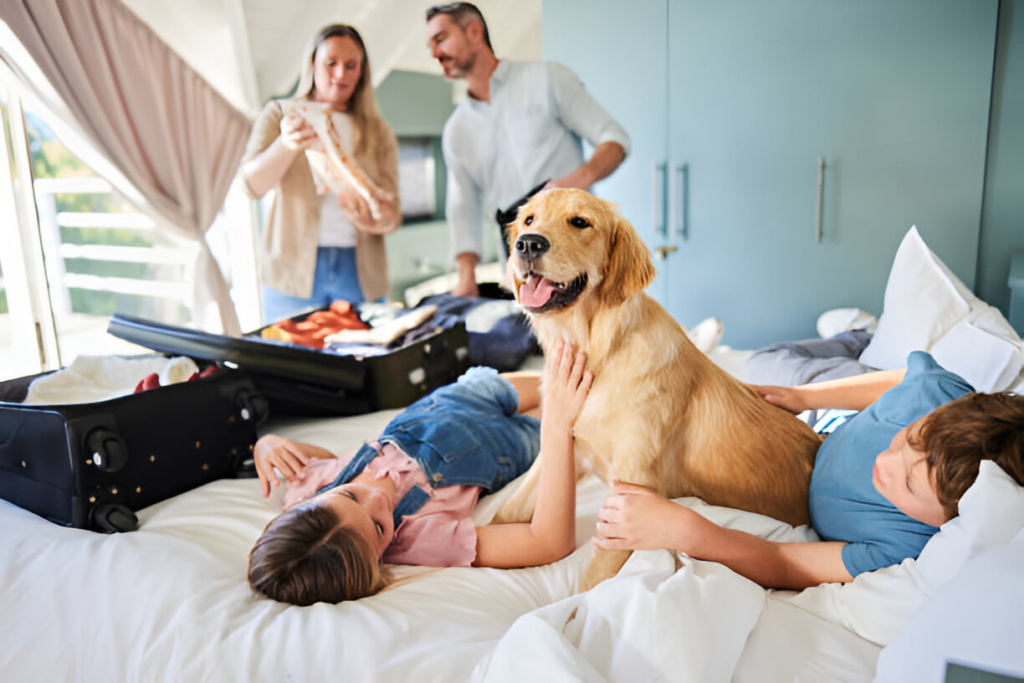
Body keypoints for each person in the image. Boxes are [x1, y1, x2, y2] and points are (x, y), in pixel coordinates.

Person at [593, 351, 1024, 590]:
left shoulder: (906, 545)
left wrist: (686, 530)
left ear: (948, 519)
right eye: (909, 438)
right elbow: (903, 383)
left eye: (910, 483)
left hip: (815, 448)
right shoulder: (942, 398)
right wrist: (805, 397)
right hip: (827, 415)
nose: (888, 463)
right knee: (767, 366)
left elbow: (783, 562)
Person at [248, 340, 593, 606]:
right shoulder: (419, 540)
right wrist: (558, 427)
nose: (377, 497)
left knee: (577, 368)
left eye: (349, 494)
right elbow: (548, 543)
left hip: (459, 400)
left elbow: (321, 460)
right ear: (376, 566)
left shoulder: (309, 490)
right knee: (591, 394)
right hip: (506, 442)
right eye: (378, 526)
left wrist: (267, 443)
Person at [425, 3, 631, 297]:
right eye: (430, 45)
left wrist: (566, 187)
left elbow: (615, 140)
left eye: (441, 39)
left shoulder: (547, 80)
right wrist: (465, 277)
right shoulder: (456, 130)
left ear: (474, 32)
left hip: (578, 257)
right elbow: (463, 207)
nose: (434, 53)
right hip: (522, 272)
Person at [239, 24, 401, 322]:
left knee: (360, 361)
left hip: (361, 273)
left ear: (362, 71)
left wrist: (370, 218)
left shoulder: (379, 132)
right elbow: (250, 185)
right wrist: (285, 145)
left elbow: (393, 214)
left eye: (351, 66)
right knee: (288, 361)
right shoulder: (280, 114)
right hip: (291, 273)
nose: (341, 74)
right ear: (313, 63)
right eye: (331, 64)